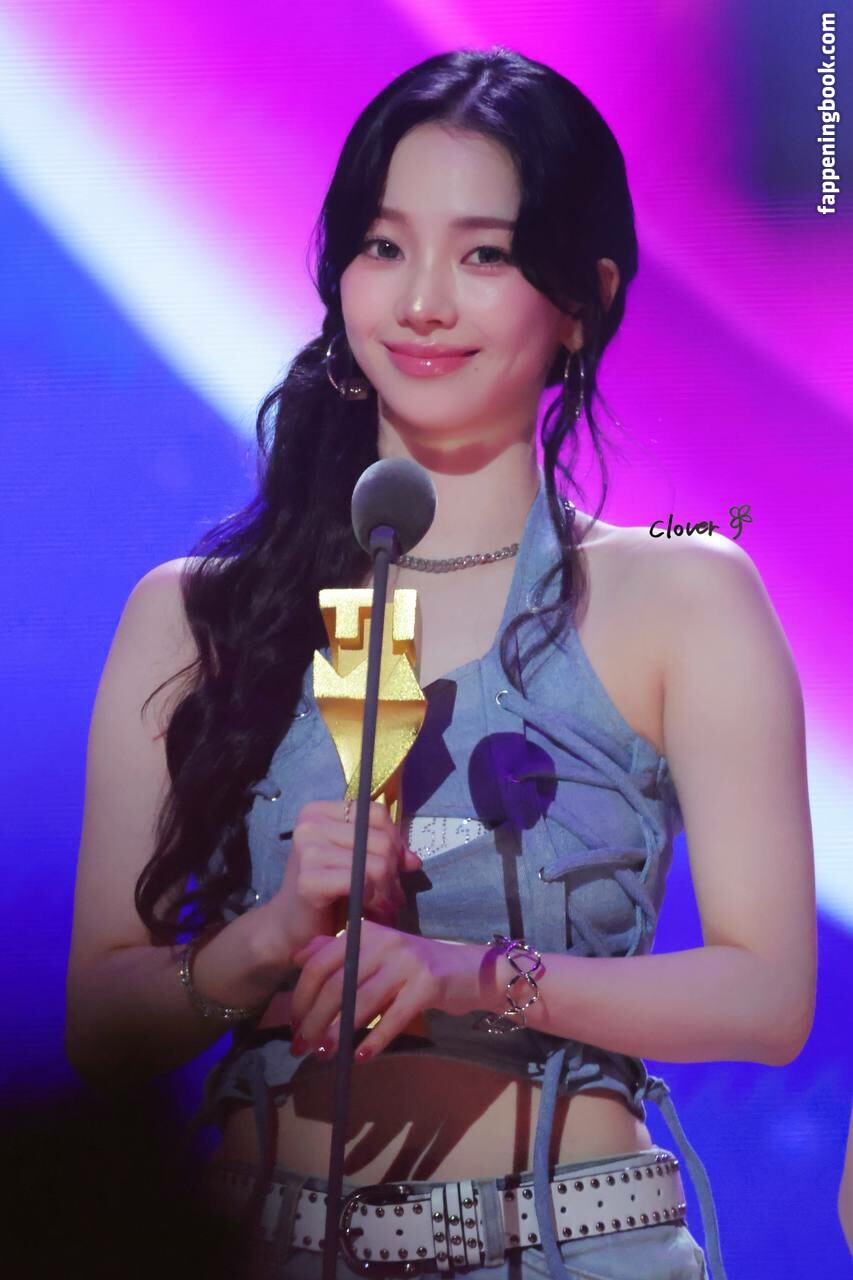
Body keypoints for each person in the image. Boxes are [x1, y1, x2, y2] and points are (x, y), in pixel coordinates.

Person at [65, 46, 816, 1280]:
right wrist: (261, 941)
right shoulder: (194, 617)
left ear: (583, 299)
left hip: (571, 1244)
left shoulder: (682, 597)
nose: (420, 301)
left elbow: (766, 992)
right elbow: (99, 1026)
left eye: (483, 255)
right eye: (382, 245)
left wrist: (472, 974)